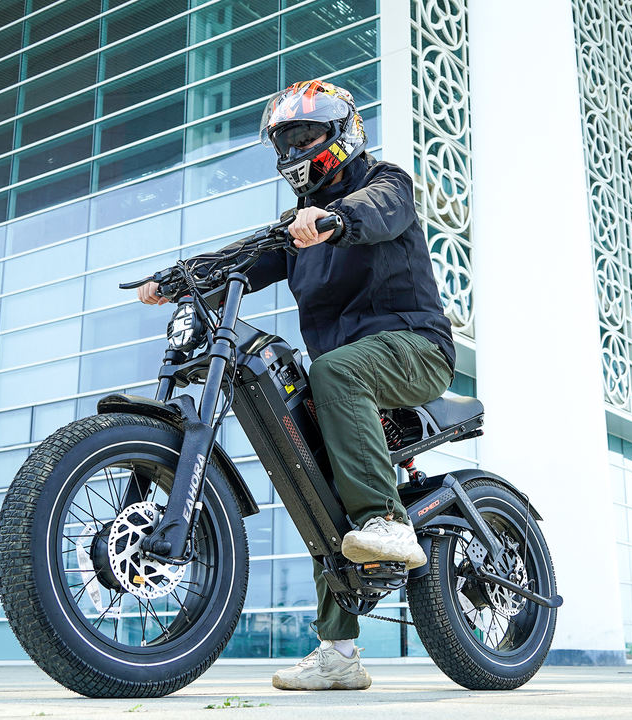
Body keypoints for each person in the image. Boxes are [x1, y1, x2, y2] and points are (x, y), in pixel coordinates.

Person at [138, 79, 455, 691]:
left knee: (335, 370)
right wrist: (178, 278)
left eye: (306, 136)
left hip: (415, 349)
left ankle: (386, 519)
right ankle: (339, 654)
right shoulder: (296, 228)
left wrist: (335, 219)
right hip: (348, 375)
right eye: (285, 141)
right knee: (315, 484)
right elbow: (244, 259)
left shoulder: (385, 182)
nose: (294, 150)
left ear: (340, 133)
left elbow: (378, 211)